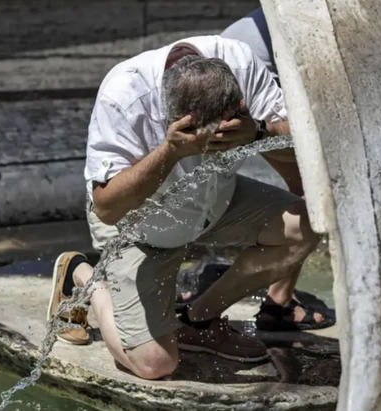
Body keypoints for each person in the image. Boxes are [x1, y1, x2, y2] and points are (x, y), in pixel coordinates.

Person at [47, 35, 319, 379]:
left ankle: (198, 322)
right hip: (138, 228)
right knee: (155, 364)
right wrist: (170, 152)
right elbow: (107, 208)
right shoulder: (124, 95)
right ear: (171, 113)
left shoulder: (238, 60)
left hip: (217, 202)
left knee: (308, 224)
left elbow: (306, 141)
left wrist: (259, 133)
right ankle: (82, 276)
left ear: (236, 104)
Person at [221, 7, 334, 329]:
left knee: (307, 188)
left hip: (227, 56)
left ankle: (269, 292)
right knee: (313, 190)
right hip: (253, 73)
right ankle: (278, 304)